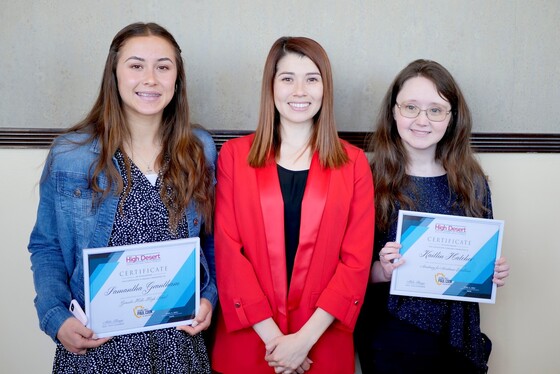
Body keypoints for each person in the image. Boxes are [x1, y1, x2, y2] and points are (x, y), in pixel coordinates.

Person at [28, 22, 217, 373]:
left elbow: (213, 242)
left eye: (163, 67)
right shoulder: (71, 154)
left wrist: (208, 297)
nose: (150, 79)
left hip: (178, 345)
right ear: (113, 74)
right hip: (97, 348)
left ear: (177, 79)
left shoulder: (199, 149)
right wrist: (55, 318)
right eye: (136, 65)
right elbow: (47, 246)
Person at [211, 36, 374, 373]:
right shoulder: (234, 157)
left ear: (325, 89)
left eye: (312, 79)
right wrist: (276, 341)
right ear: (271, 87)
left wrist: (302, 341)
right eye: (287, 78)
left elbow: (356, 262)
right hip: (251, 341)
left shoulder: (354, 164)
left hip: (322, 342)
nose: (300, 91)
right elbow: (228, 253)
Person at [354, 59, 511, 374]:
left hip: (458, 337)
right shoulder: (368, 180)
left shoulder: (472, 182)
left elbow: (477, 264)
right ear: (393, 112)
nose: (422, 120)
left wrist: (490, 271)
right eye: (410, 107)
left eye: (436, 110)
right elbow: (349, 271)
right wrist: (382, 271)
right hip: (392, 338)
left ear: (452, 117)